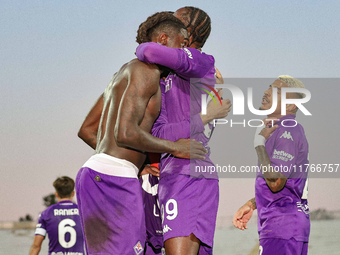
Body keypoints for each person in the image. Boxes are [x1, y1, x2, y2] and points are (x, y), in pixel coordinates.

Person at [75, 12, 208, 255]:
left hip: (99, 173)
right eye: (182, 45)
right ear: (164, 40)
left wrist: (139, 163)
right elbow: (126, 133)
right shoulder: (147, 71)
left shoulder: (122, 72)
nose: (183, 52)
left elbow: (87, 130)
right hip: (113, 179)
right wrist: (175, 147)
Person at [136, 7, 231, 255]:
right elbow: (157, 135)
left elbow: (146, 49)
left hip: (190, 173)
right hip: (171, 174)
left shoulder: (200, 61)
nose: (166, 27)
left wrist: (150, 42)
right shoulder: (169, 77)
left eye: (173, 22)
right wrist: (203, 117)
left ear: (187, 31)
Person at [232, 76, 310, 255]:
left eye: (277, 91)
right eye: (269, 88)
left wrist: (258, 143)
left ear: (291, 106)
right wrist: (252, 204)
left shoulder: (286, 129)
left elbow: (276, 182)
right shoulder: (282, 128)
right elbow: (285, 186)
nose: (267, 92)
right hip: (287, 225)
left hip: (282, 227)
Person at [29, 176, 85, 255]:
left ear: (56, 194)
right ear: (73, 193)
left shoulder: (46, 214)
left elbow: (36, 246)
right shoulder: (83, 212)